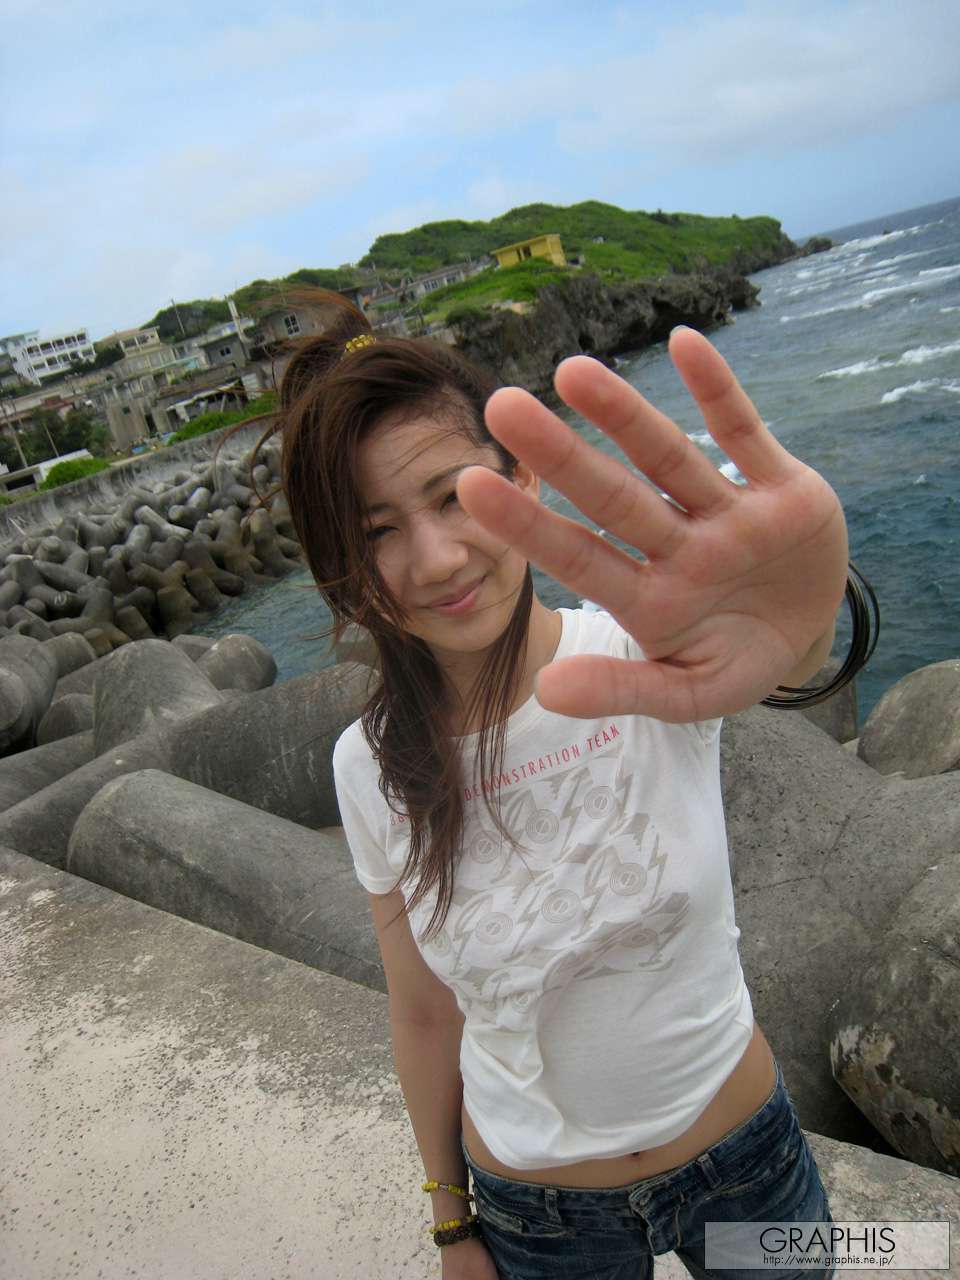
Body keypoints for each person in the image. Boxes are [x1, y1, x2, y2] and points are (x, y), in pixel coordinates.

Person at [268, 291, 847, 1279]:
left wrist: (811, 616)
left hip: (747, 1160)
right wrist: (451, 1225)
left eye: (453, 496)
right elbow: (424, 1013)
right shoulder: (369, 766)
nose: (435, 559)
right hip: (538, 1218)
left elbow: (787, 666)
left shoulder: (649, 654)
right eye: (377, 530)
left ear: (521, 475)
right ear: (344, 568)